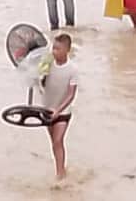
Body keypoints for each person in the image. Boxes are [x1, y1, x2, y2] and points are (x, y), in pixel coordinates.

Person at [40, 33, 78, 181]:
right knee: (54, 143)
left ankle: (60, 175)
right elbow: (40, 83)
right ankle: (60, 168)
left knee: (58, 140)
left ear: (67, 50)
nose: (54, 51)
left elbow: (71, 94)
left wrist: (59, 110)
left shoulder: (73, 69)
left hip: (63, 111)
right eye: (53, 48)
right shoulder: (47, 64)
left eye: (58, 49)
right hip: (47, 108)